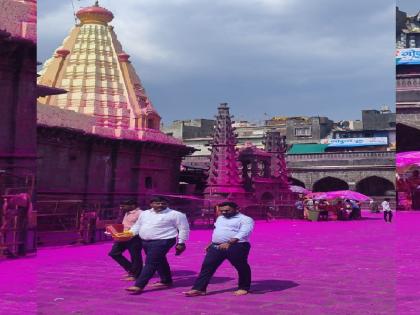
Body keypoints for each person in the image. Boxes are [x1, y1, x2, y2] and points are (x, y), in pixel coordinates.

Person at [184, 201, 254, 297]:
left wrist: (229, 243)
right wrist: (212, 242)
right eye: (222, 211)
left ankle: (243, 287)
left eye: (227, 210)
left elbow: (244, 232)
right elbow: (218, 231)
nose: (224, 213)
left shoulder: (245, 219)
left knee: (241, 267)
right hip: (216, 246)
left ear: (237, 209)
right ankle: (199, 289)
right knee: (207, 266)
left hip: (237, 246)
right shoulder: (220, 218)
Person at [123, 196, 190, 294]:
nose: (160, 205)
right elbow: (138, 225)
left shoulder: (176, 214)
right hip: (146, 241)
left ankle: (139, 285)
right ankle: (166, 280)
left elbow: (184, 229)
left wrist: (181, 242)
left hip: (164, 240)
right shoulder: (145, 214)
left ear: (167, 204)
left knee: (150, 263)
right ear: (151, 204)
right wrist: (129, 234)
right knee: (160, 260)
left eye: (163, 203)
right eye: (157, 203)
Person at [108, 199, 143, 281]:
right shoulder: (126, 212)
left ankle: (136, 274)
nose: (121, 207)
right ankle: (132, 270)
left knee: (135, 256)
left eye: (123, 206)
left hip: (134, 237)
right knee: (114, 253)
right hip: (123, 236)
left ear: (133, 205)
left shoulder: (141, 213)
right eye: (121, 206)